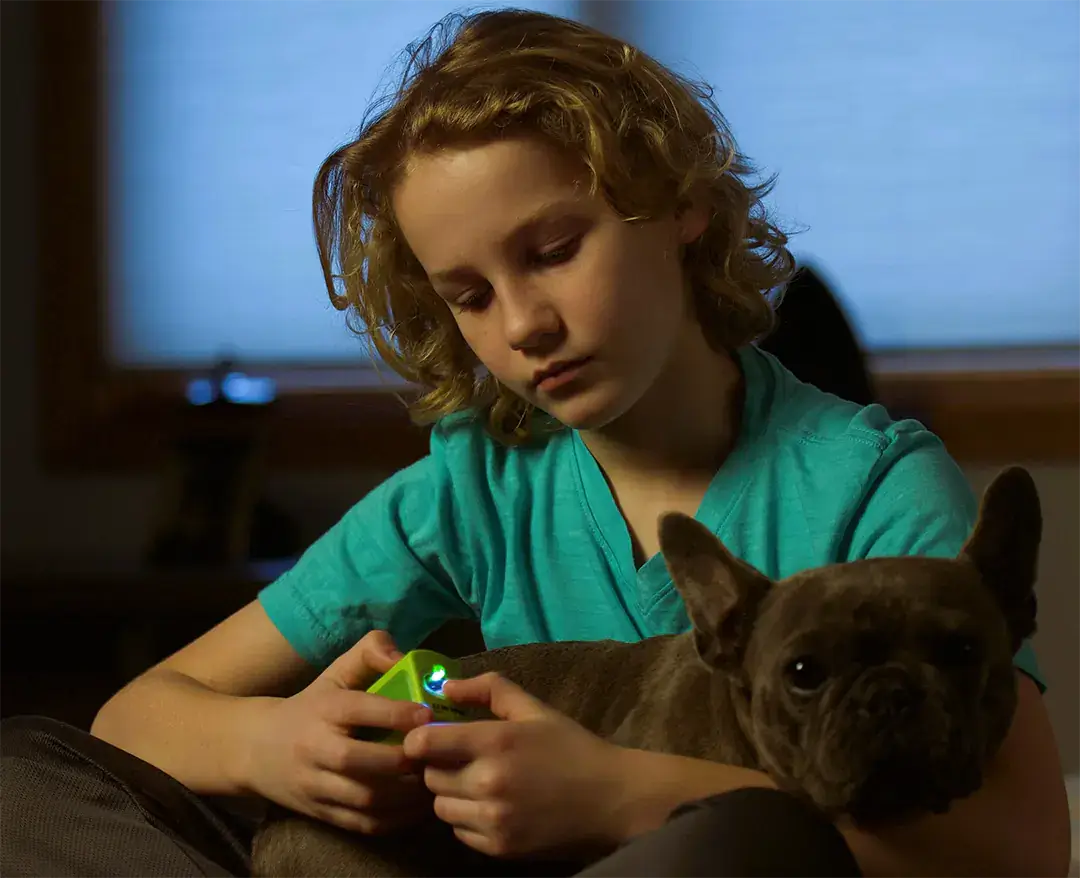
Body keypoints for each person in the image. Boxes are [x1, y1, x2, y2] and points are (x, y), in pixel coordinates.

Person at [0, 9, 1070, 878]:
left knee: (747, 837)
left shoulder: (874, 485)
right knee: (24, 773)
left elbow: (1021, 850)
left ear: (682, 205)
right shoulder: (471, 487)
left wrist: (612, 793)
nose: (523, 324)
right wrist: (271, 743)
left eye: (553, 250)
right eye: (469, 295)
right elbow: (134, 714)